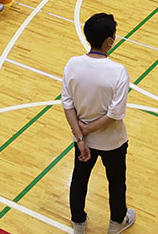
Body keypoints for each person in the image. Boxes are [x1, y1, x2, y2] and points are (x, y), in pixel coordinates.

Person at [61, 12, 135, 234]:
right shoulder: (118, 71)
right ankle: (117, 222)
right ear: (109, 41)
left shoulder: (72, 64)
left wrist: (81, 136)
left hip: (82, 141)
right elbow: (115, 114)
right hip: (112, 142)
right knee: (116, 182)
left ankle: (78, 223)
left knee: (79, 179)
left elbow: (67, 104)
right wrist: (89, 128)